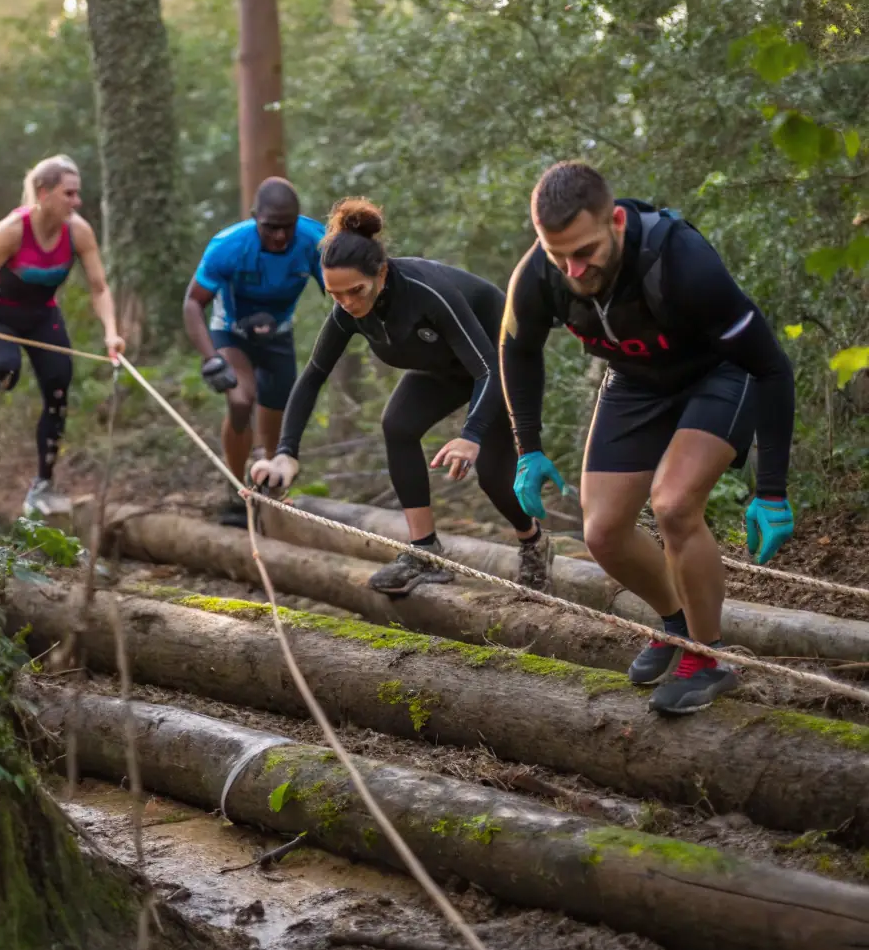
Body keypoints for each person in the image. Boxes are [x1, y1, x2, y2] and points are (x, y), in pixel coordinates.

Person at [500, 160, 795, 715]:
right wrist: (528, 448)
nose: (573, 267)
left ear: (614, 220)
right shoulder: (542, 271)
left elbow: (771, 366)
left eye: (584, 251)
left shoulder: (681, 262)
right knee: (605, 532)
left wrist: (773, 490)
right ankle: (677, 622)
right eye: (557, 252)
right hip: (635, 381)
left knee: (675, 505)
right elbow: (517, 349)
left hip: (718, 375)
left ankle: (708, 658)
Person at [252, 198, 545, 594]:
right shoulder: (346, 311)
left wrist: (470, 435)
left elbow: (489, 368)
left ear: (382, 272)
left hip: (501, 367)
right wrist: (286, 451)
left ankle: (533, 542)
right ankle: (425, 552)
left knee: (493, 476)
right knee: (398, 425)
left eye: (356, 291)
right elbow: (312, 377)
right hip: (446, 370)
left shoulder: (429, 293)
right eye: (336, 295)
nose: (349, 304)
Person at [0, 154, 124, 517]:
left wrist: (112, 333)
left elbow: (99, 288)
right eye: (69, 194)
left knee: (59, 385)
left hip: (41, 317)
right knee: (6, 363)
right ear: (43, 193)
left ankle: (42, 484)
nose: (77, 202)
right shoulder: (10, 231)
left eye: (77, 194)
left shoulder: (78, 231)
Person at [183, 177, 325, 527]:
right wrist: (211, 358)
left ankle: (269, 489)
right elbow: (192, 303)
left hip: (279, 336)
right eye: (270, 227)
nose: (279, 236)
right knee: (241, 399)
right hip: (231, 334)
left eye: (286, 226)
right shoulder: (229, 245)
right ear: (254, 218)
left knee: (277, 422)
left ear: (298, 219)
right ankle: (235, 490)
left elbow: (341, 292)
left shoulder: (314, 241)